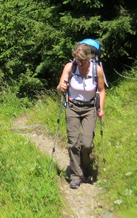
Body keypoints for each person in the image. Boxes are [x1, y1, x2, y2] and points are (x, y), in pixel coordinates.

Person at [56, 38, 107, 189]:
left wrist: (101, 108)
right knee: (73, 143)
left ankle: (85, 166)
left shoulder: (96, 69)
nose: (79, 63)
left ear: (88, 59)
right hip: (72, 106)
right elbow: (59, 88)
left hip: (89, 108)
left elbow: (102, 90)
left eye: (82, 61)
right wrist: (61, 87)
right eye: (77, 60)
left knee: (87, 143)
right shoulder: (70, 67)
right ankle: (76, 175)